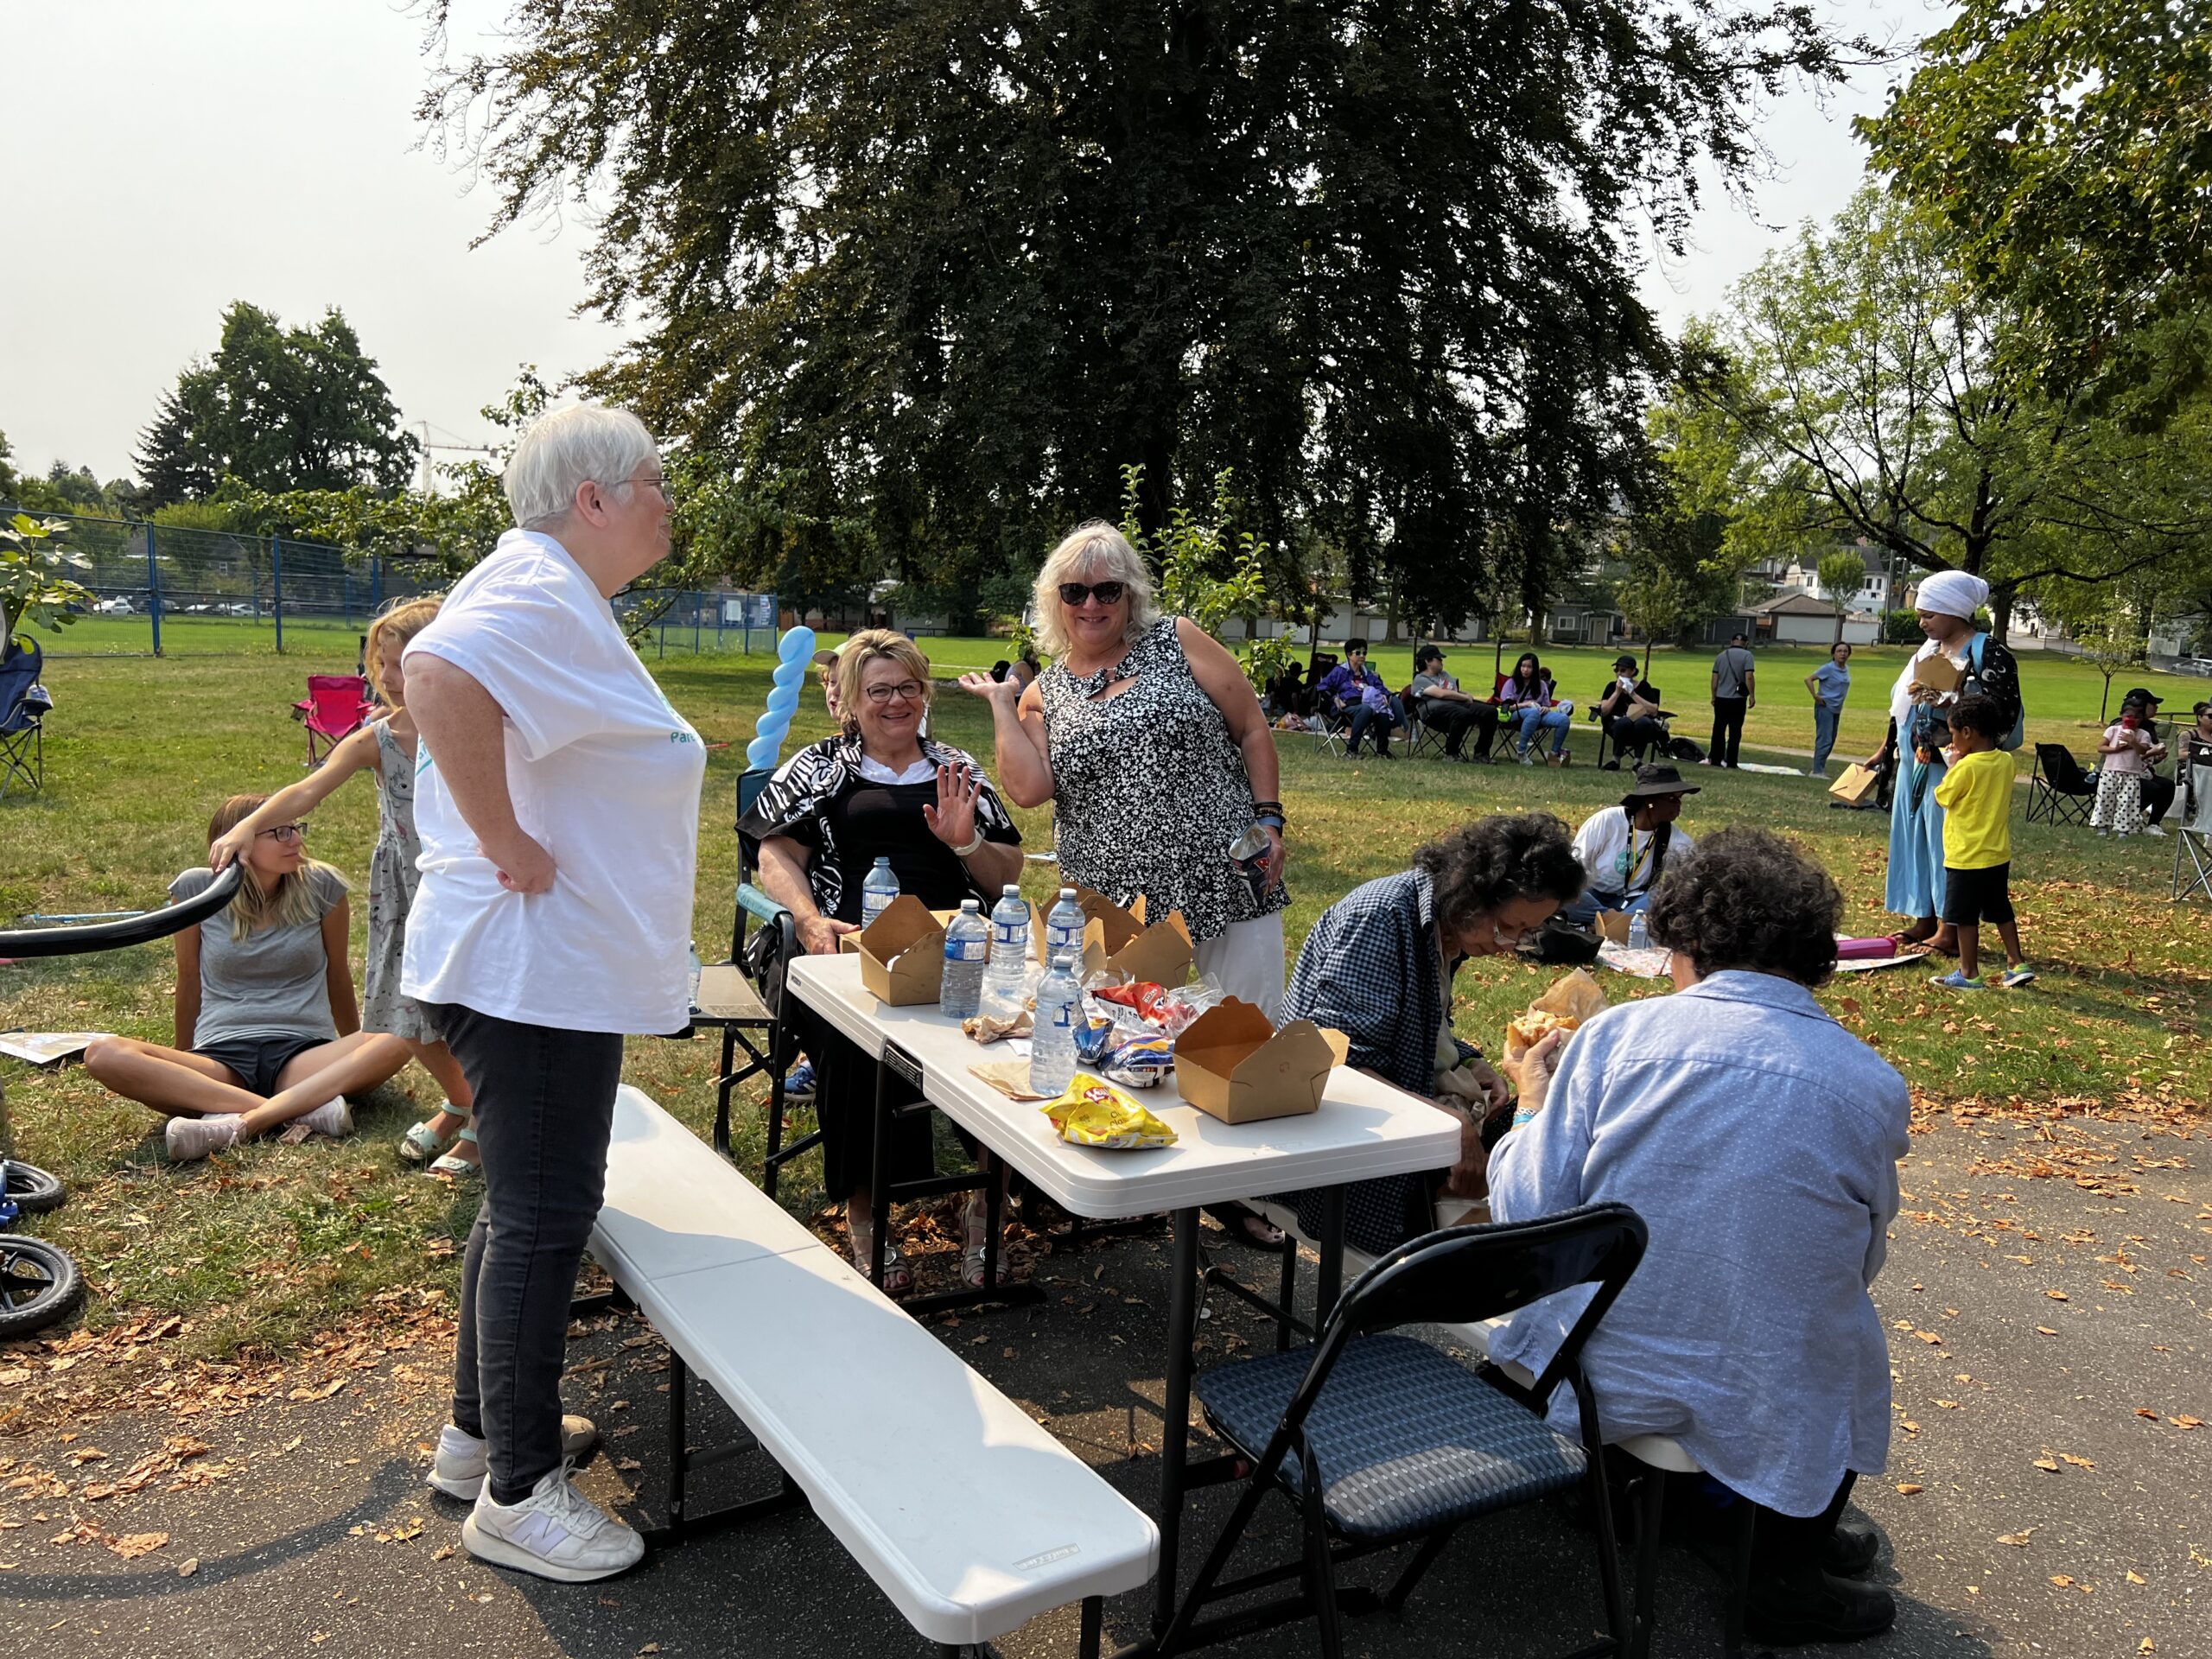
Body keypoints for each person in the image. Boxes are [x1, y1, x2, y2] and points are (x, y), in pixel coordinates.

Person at [402, 404, 706, 1583]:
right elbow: (434, 673)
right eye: (652, 482)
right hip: (533, 968)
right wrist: (507, 839)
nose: (666, 500)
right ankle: (522, 1492)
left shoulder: (553, 591)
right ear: (592, 498)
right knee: (543, 1214)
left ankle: (478, 1440)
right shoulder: (533, 585)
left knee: (521, 1207)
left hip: (542, 969)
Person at [1490, 827, 1911, 1647]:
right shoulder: (1870, 1082)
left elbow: (1533, 1211)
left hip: (1608, 1365)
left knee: (1698, 1308)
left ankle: (1647, 1500)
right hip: (1769, 1381)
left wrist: (1530, 1101)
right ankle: (1777, 1556)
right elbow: (1861, 1255)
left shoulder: (1616, 1040)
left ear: (1682, 941)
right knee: (1835, 1336)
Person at [962, 520, 1291, 1247]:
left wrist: (1269, 819)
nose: (1091, 603)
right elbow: (1028, 789)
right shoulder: (1043, 693)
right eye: (1074, 591)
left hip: (1226, 874)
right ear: (1055, 601)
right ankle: (1139, 1182)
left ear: (1129, 592)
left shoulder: (1177, 640)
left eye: (1106, 588)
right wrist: (999, 705)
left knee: (1238, 1032)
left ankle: (1237, 1192)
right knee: (1134, 1045)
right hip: (1120, 899)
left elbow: (1252, 728)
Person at [745, 630, 1026, 1288]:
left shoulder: (958, 769)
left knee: (1007, 1040)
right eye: (879, 690)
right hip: (845, 951)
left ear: (924, 693)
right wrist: (811, 921)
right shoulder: (818, 767)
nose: (896, 702)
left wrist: (964, 845)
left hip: (954, 948)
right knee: (853, 1046)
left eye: (907, 687)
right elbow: (774, 854)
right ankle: (867, 1213)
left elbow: (1007, 870)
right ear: (848, 700)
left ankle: (984, 1207)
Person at [206, 596, 480, 1176]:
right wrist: (250, 826)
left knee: (471, 1007)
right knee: (403, 1011)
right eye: (379, 662)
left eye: (402, 663)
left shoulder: (479, 724)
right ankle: (463, 1101)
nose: (386, 677)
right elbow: (310, 789)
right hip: (406, 889)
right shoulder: (379, 737)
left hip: (469, 887)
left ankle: (481, 1121)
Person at [1277, 814, 1585, 1255]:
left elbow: (1416, 1023)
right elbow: (1335, 1065)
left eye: (1526, 932)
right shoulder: (1381, 920)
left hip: (1386, 1115)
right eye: (1507, 926)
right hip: (1331, 1149)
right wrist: (1448, 1126)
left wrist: (1469, 1061)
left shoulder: (1449, 928)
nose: (1509, 945)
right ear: (1473, 894)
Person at [83, 798, 411, 1161]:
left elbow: (337, 972)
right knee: (103, 1054)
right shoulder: (195, 890)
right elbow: (188, 978)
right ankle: (297, 1112)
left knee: (406, 1030)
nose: (297, 842)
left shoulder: (323, 885)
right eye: (281, 833)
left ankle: (248, 1118)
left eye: (297, 830)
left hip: (303, 1055)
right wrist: (181, 1059)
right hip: (221, 1057)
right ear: (239, 842)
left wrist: (355, 1045)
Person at [1863, 570, 2021, 955]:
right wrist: (1888, 748)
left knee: (1946, 844)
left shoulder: (1988, 651)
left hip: (1956, 766)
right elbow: (1902, 706)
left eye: (1930, 614)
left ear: (1955, 612)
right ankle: (1924, 917)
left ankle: (1951, 929)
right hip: (1916, 759)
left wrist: (1951, 700)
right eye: (1921, 615)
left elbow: (2001, 712)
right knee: (1915, 839)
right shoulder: (1927, 650)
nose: (1922, 622)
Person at [1929, 696, 2034, 990]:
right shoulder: (2006, 761)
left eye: (1952, 734)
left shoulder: (1966, 767)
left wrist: (1952, 764)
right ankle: (2016, 963)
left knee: (1963, 916)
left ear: (1967, 733)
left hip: (1966, 855)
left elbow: (1943, 796)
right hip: (1996, 853)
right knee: (2001, 909)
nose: (1952, 741)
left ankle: (1968, 972)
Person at [1565, 766, 1698, 927]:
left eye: (1680, 798)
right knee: (1563, 889)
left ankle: (1607, 925)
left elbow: (1690, 882)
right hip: (1592, 895)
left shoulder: (1677, 840)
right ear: (1650, 802)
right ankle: (1618, 925)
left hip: (1633, 902)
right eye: (1672, 799)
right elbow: (1575, 867)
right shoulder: (1607, 821)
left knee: (1663, 895)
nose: (1678, 805)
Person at [1409, 643, 1498, 760]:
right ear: (1428, 661)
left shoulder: (1444, 675)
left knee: (1490, 711)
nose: (1442, 661)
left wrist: (1463, 694)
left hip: (1458, 705)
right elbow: (1441, 694)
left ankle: (1481, 753)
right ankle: (1451, 753)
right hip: (1435, 714)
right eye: (1439, 659)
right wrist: (1465, 698)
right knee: (1462, 713)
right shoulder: (1420, 679)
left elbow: (1452, 691)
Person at [1315, 638, 1402, 758]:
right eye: (1358, 653)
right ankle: (1351, 750)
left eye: (1364, 653)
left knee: (1383, 713)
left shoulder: (1368, 675)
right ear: (1349, 655)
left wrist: (1384, 696)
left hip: (1368, 708)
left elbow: (1382, 689)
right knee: (1365, 709)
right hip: (1345, 708)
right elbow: (1322, 687)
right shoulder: (1340, 671)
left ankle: (1382, 751)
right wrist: (1335, 698)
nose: (1362, 656)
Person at [1495, 652, 1572, 765]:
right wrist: (1526, 704)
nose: (1525, 669)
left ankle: (1554, 755)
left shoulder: (1541, 685)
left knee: (1564, 719)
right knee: (1533, 712)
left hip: (1538, 714)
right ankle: (1521, 752)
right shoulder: (1511, 682)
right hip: (1515, 714)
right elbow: (1506, 707)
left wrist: (1546, 708)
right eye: (1523, 666)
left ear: (1535, 669)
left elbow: (1547, 704)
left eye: (1529, 667)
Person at [1595, 654, 1667, 767]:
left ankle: (1638, 761)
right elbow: (1604, 711)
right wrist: (1617, 692)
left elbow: (1654, 710)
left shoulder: (1644, 686)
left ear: (1633, 671)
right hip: (1617, 723)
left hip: (1640, 722)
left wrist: (1632, 693)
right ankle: (1616, 760)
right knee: (1624, 723)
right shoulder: (1611, 686)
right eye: (1616, 670)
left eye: (1623, 670)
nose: (1619, 673)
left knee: (1644, 723)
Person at [2092, 703, 2152, 836]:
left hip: (2131, 772)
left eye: (2137, 717)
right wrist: (2115, 749)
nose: (2133, 720)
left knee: (2128, 801)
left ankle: (2123, 828)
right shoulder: (2113, 730)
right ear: (2122, 716)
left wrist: (2132, 741)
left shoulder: (2144, 734)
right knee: (2105, 799)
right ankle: (2102, 826)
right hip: (2110, 770)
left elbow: (2142, 751)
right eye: (2129, 717)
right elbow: (2101, 747)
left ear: (2142, 719)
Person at [2120, 689, 2174, 833]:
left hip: (2143, 771)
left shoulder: (2149, 727)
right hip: (2123, 772)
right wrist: (2151, 752)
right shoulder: (2122, 726)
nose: (2157, 707)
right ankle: (2124, 818)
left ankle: (2153, 824)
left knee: (2168, 785)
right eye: (2153, 704)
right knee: (2152, 788)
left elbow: (2146, 758)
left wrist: (2156, 757)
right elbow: (2124, 756)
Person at [1707, 630, 1756, 768]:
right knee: (1735, 731)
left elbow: (1714, 679)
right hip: (1738, 699)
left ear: (1731, 642)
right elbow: (1749, 677)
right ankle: (1731, 761)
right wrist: (1752, 695)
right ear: (1746, 643)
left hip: (1721, 698)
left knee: (1718, 730)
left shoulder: (1721, 656)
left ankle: (1716, 759)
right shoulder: (1747, 656)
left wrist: (1713, 695)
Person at [1804, 642, 1853, 778]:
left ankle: (1820, 767)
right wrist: (1815, 696)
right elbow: (1808, 679)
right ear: (1833, 654)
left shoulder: (1845, 669)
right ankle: (1817, 771)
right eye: (1839, 651)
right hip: (1825, 707)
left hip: (1837, 708)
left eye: (1845, 651)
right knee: (1824, 739)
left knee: (1831, 739)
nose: (1842, 654)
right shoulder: (1828, 668)